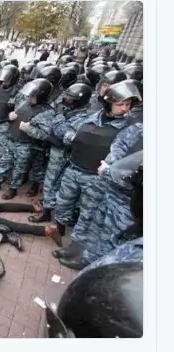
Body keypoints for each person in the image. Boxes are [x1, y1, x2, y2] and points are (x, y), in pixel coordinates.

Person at [53, 80, 142, 262]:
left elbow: (121, 156)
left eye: (128, 104)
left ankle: (75, 248)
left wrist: (109, 165)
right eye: (120, 104)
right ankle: (59, 228)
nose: (124, 108)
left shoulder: (130, 128)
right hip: (74, 168)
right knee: (62, 204)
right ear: (109, 103)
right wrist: (74, 137)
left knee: (87, 215)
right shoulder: (91, 116)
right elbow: (67, 133)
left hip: (96, 178)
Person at [0, 78, 56, 199]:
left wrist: (29, 129)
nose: (29, 97)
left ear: (41, 96)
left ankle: (13, 189)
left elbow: (46, 134)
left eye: (32, 96)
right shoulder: (26, 102)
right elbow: (17, 113)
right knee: (4, 162)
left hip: (26, 144)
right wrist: (10, 116)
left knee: (19, 168)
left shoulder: (47, 112)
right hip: (12, 139)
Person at [29, 83, 92, 223]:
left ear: (80, 100)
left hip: (63, 154)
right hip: (58, 151)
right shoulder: (71, 111)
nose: (67, 99)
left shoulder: (82, 117)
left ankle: (47, 213)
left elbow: (61, 132)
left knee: (52, 183)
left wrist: (58, 116)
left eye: (71, 97)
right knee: (55, 184)